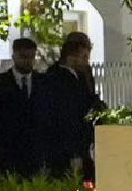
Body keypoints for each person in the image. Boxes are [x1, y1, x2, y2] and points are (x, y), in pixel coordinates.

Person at [39, 31, 104, 181]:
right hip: (63, 143)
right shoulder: (54, 77)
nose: (86, 61)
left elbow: (88, 97)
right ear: (71, 57)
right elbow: (61, 115)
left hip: (84, 140)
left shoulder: (85, 74)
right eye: (83, 57)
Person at [0, 37, 47, 178]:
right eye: (23, 57)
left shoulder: (43, 82)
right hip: (6, 148)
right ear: (14, 56)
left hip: (36, 149)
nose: (28, 61)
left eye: (31, 57)